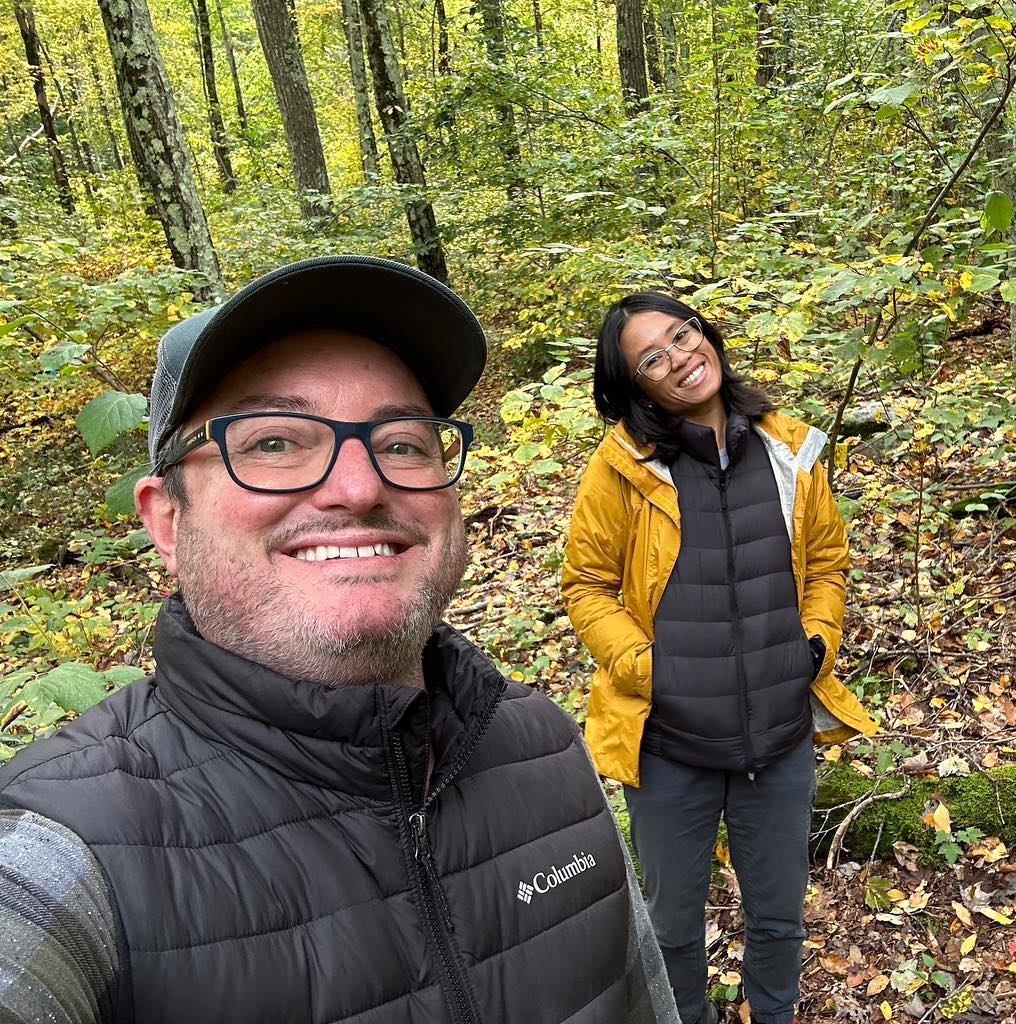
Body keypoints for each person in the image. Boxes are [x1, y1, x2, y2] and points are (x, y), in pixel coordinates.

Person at [0, 256, 679, 1024]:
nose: (359, 487)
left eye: (402, 442)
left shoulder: (548, 752)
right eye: (273, 443)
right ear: (166, 521)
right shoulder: (65, 856)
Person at [561, 292, 877, 1024]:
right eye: (653, 357)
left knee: (778, 919)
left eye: (683, 334)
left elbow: (827, 561)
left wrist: (817, 644)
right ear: (635, 384)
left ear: (707, 334)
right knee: (672, 931)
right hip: (671, 745)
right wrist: (651, 668)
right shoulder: (620, 471)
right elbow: (587, 584)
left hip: (779, 735)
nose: (679, 358)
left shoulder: (789, 447)